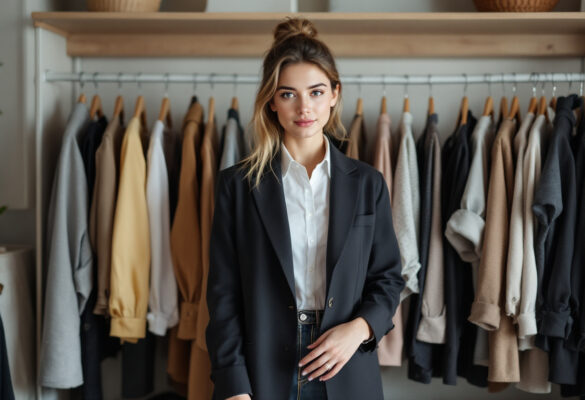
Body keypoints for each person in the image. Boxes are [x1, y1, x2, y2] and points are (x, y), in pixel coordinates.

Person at [205, 17, 404, 400]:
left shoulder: (367, 183)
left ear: (334, 94)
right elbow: (223, 294)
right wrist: (233, 386)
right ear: (271, 101)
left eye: (315, 92)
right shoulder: (237, 186)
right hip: (262, 368)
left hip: (344, 364)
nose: (304, 107)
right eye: (288, 94)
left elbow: (388, 278)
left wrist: (359, 329)